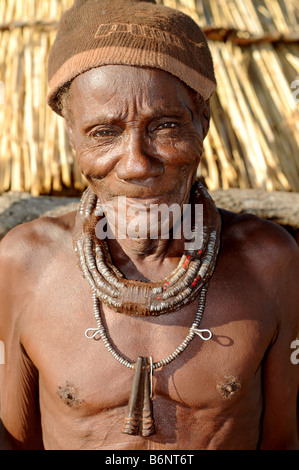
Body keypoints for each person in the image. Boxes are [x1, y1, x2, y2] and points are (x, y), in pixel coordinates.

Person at [0, 0, 298, 451]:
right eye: (104, 132)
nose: (138, 165)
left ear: (203, 123)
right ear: (72, 138)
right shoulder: (25, 264)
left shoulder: (268, 264)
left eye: (165, 126)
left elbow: (283, 440)